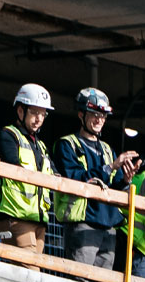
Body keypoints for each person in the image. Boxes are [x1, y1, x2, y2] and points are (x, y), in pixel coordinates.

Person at [56, 87, 138, 268]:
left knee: (102, 281)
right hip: (83, 222)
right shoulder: (68, 145)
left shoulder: (107, 149)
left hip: (108, 225)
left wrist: (125, 180)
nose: (99, 120)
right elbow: (76, 178)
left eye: (103, 116)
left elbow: (113, 186)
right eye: (94, 114)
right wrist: (110, 167)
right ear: (81, 115)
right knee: (80, 277)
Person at [0, 83, 57, 249]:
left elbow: (55, 175)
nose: (39, 119)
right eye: (34, 112)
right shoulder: (8, 135)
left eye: (43, 114)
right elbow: (14, 166)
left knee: (35, 264)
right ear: (21, 111)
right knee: (30, 264)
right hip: (15, 215)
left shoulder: (41, 147)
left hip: (38, 219)